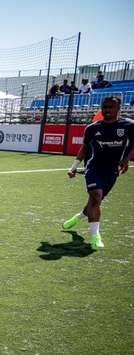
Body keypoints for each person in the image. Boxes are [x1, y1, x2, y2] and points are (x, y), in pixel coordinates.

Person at [62, 96, 133, 249]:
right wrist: (73, 167)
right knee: (96, 196)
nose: (107, 110)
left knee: (95, 202)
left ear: (118, 108)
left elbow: (132, 142)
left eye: (110, 107)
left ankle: (79, 216)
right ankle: (95, 237)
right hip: (93, 167)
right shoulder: (92, 128)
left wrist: (126, 158)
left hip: (112, 170)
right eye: (104, 107)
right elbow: (84, 148)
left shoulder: (128, 126)